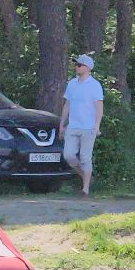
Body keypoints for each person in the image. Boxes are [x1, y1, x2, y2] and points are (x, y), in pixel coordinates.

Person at [57, 53, 105, 196]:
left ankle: (85, 188)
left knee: (85, 158)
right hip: (72, 126)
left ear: (88, 68)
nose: (76, 67)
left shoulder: (95, 85)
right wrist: (62, 124)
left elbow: (99, 107)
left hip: (88, 128)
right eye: (76, 64)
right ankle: (85, 176)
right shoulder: (72, 83)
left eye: (79, 65)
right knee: (68, 155)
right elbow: (67, 104)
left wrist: (97, 125)